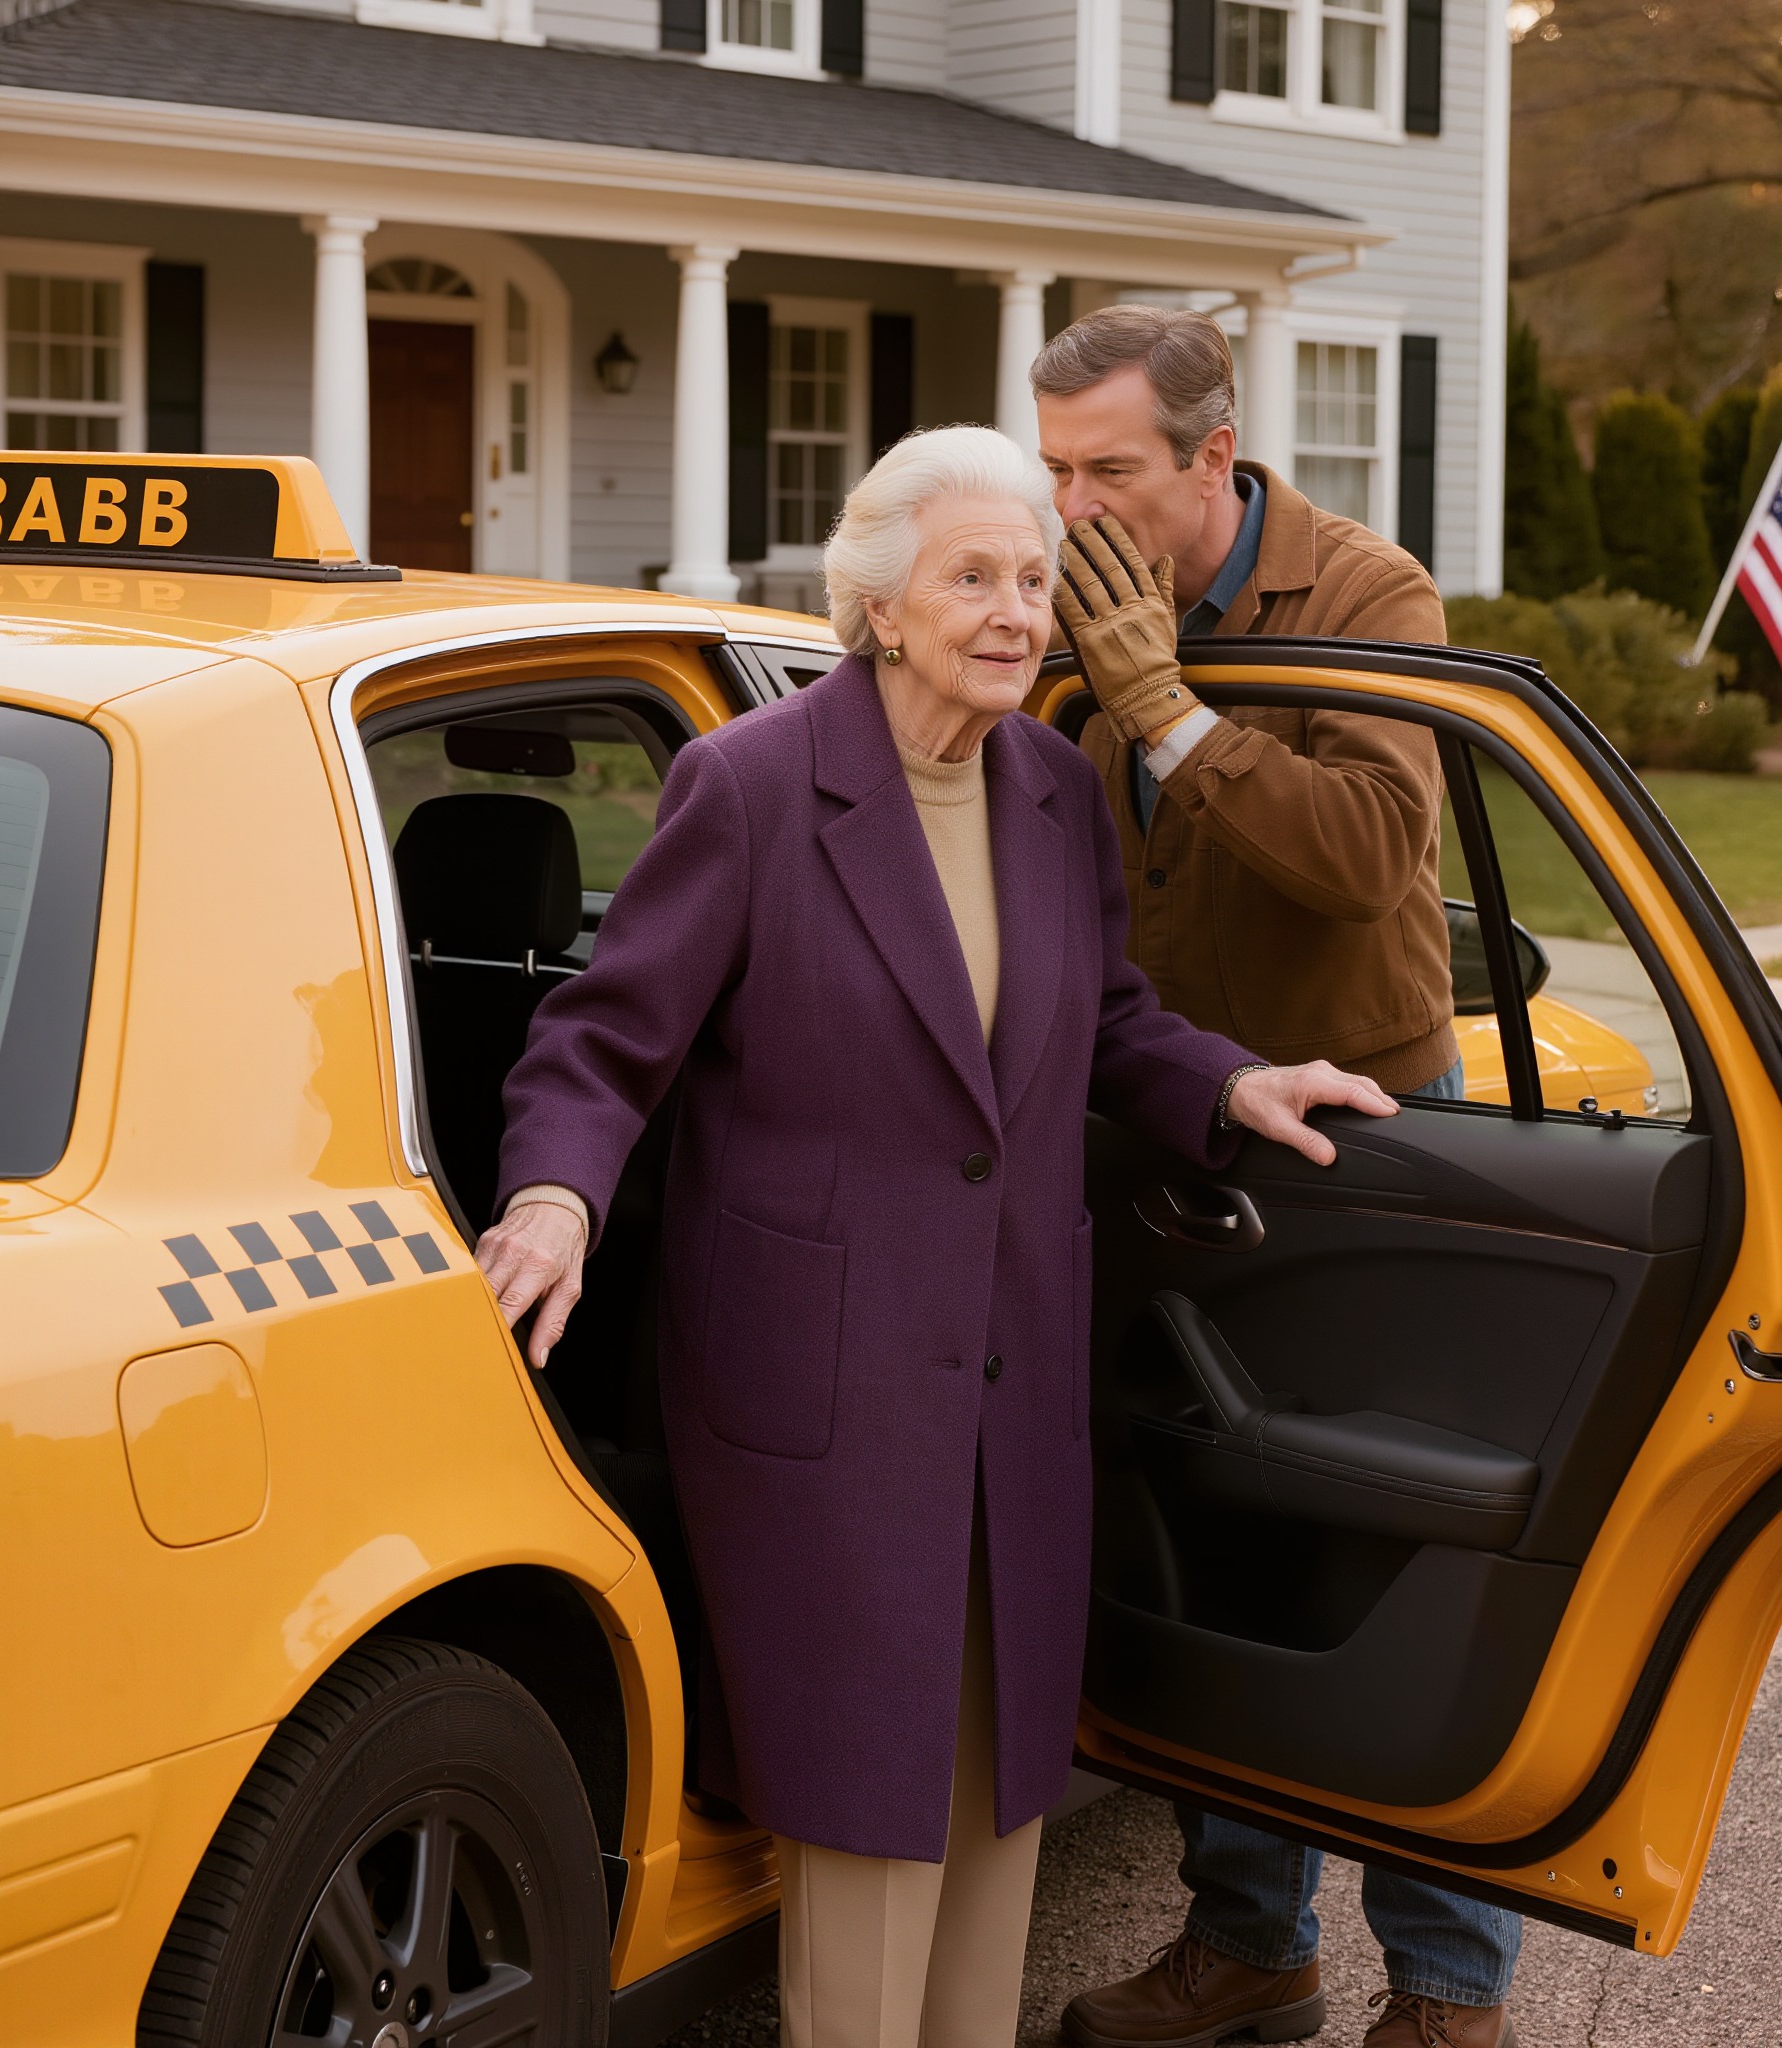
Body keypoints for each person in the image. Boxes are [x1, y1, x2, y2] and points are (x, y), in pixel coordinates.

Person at [474, 425, 1402, 2048]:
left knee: (994, 1807)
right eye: (973, 576)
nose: (1014, 610)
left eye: (1035, 578)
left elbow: (1107, 1017)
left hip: (1010, 1374)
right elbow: (605, 1040)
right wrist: (557, 1196)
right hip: (819, 1398)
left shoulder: (1049, 786)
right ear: (880, 604)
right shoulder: (754, 787)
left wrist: (1234, 1080)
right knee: (862, 1814)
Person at [1035, 307, 1523, 2048]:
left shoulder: (1367, 597)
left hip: (1364, 1137)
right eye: (1055, 469)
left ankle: (1451, 1996)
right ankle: (1251, 1949)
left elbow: (1371, 852)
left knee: (1382, 1549)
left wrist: (1163, 706)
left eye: (1110, 470)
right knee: (1205, 1548)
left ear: (1211, 462)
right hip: (1169, 1128)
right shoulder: (1072, 612)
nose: (1073, 506)